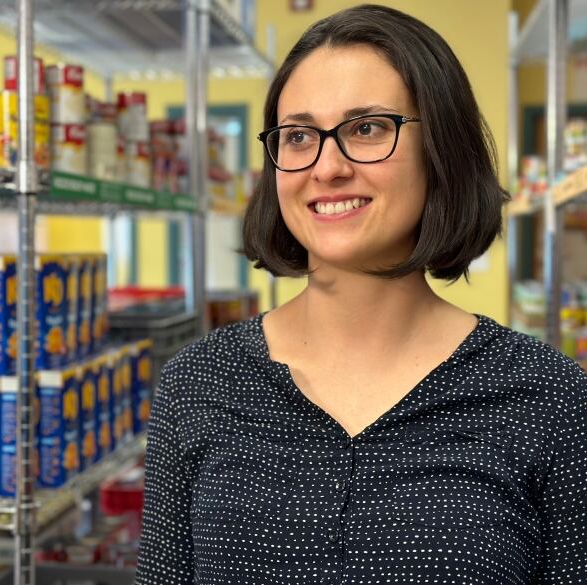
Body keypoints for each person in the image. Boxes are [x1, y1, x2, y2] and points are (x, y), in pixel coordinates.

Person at [134, 4, 587, 584]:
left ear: (440, 148)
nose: (326, 167)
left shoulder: (549, 398)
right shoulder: (197, 385)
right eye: (298, 136)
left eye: (366, 128)